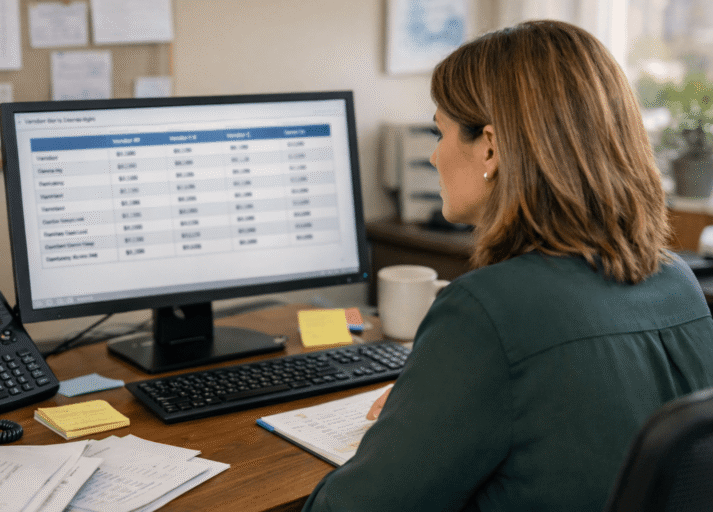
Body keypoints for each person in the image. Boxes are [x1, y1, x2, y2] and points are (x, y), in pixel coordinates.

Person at [302, 19, 713, 512]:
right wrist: (429, 405)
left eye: (441, 131)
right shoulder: (677, 282)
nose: (433, 156)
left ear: (490, 148)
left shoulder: (486, 311)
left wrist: (403, 433)